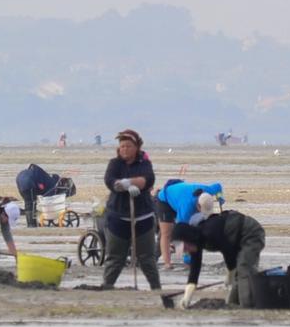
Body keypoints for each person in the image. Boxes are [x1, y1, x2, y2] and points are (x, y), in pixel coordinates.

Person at [171, 195, 265, 308]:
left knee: (243, 268)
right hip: (235, 240)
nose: (185, 251)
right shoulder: (196, 244)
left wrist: (230, 273)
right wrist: (187, 297)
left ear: (188, 239)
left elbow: (228, 251)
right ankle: (233, 304)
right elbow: (194, 272)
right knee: (238, 272)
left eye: (184, 247)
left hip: (251, 232)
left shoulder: (209, 232)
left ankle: (248, 307)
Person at [101, 129, 160, 290]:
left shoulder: (144, 164)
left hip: (143, 217)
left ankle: (156, 289)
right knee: (115, 258)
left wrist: (132, 182)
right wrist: (121, 185)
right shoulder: (114, 164)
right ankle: (106, 287)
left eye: (128, 146)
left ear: (136, 147)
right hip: (118, 218)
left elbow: (148, 179)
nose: (124, 149)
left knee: (147, 258)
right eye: (122, 146)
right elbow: (110, 180)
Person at [155, 179, 224, 268]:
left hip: (180, 193)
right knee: (166, 233)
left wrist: (220, 197)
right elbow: (180, 232)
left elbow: (218, 186)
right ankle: (167, 263)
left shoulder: (209, 190)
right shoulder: (186, 208)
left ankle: (173, 248)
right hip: (166, 199)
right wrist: (186, 256)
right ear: (198, 206)